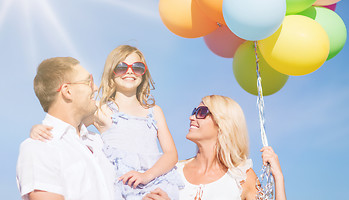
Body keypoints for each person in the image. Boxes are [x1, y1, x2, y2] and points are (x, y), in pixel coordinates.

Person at [31, 45, 183, 200]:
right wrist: (39, 128)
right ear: (111, 73)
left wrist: (146, 176)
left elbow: (171, 154)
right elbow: (67, 123)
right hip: (121, 186)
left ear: (143, 74)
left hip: (154, 181)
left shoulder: (154, 111)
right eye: (122, 67)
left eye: (137, 67)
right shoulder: (101, 110)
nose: (130, 71)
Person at [143, 95, 286, 200]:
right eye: (194, 112)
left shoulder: (242, 176)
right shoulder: (173, 171)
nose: (191, 117)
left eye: (201, 112)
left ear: (222, 124)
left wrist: (278, 177)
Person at [16, 57, 115, 200]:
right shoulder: (39, 148)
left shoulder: (99, 142)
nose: (96, 87)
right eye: (89, 81)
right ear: (67, 91)